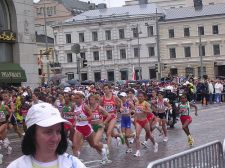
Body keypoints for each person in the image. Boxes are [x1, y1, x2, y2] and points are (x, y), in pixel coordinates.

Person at [7, 102, 86, 168]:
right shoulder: (16, 166)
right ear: (32, 134)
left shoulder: (74, 164)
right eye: (48, 132)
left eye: (58, 131)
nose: (55, 138)